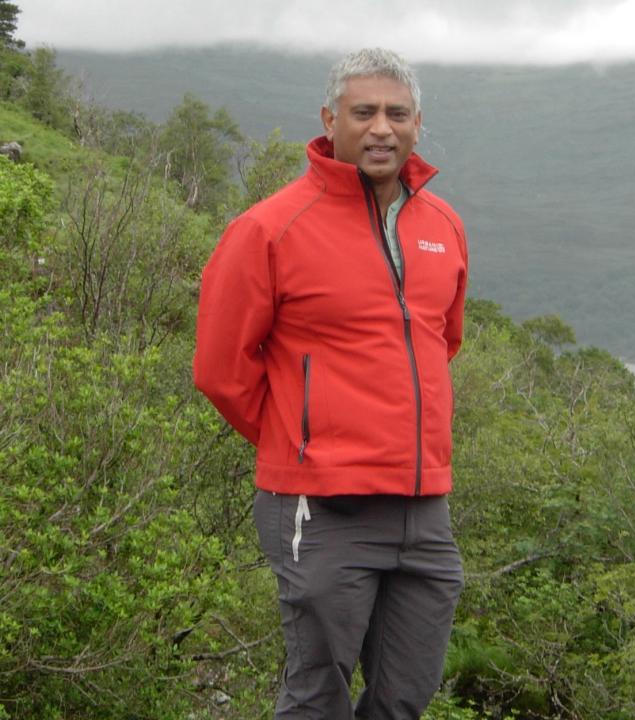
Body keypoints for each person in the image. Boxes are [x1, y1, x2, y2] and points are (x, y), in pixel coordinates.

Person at [194, 48, 468, 719]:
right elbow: (221, 369)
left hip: (423, 508)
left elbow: (442, 343)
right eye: (363, 112)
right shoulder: (270, 228)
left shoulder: (443, 226)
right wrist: (305, 443)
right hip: (321, 507)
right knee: (317, 697)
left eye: (397, 114)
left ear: (418, 123)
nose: (381, 129)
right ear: (329, 120)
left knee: (405, 698)